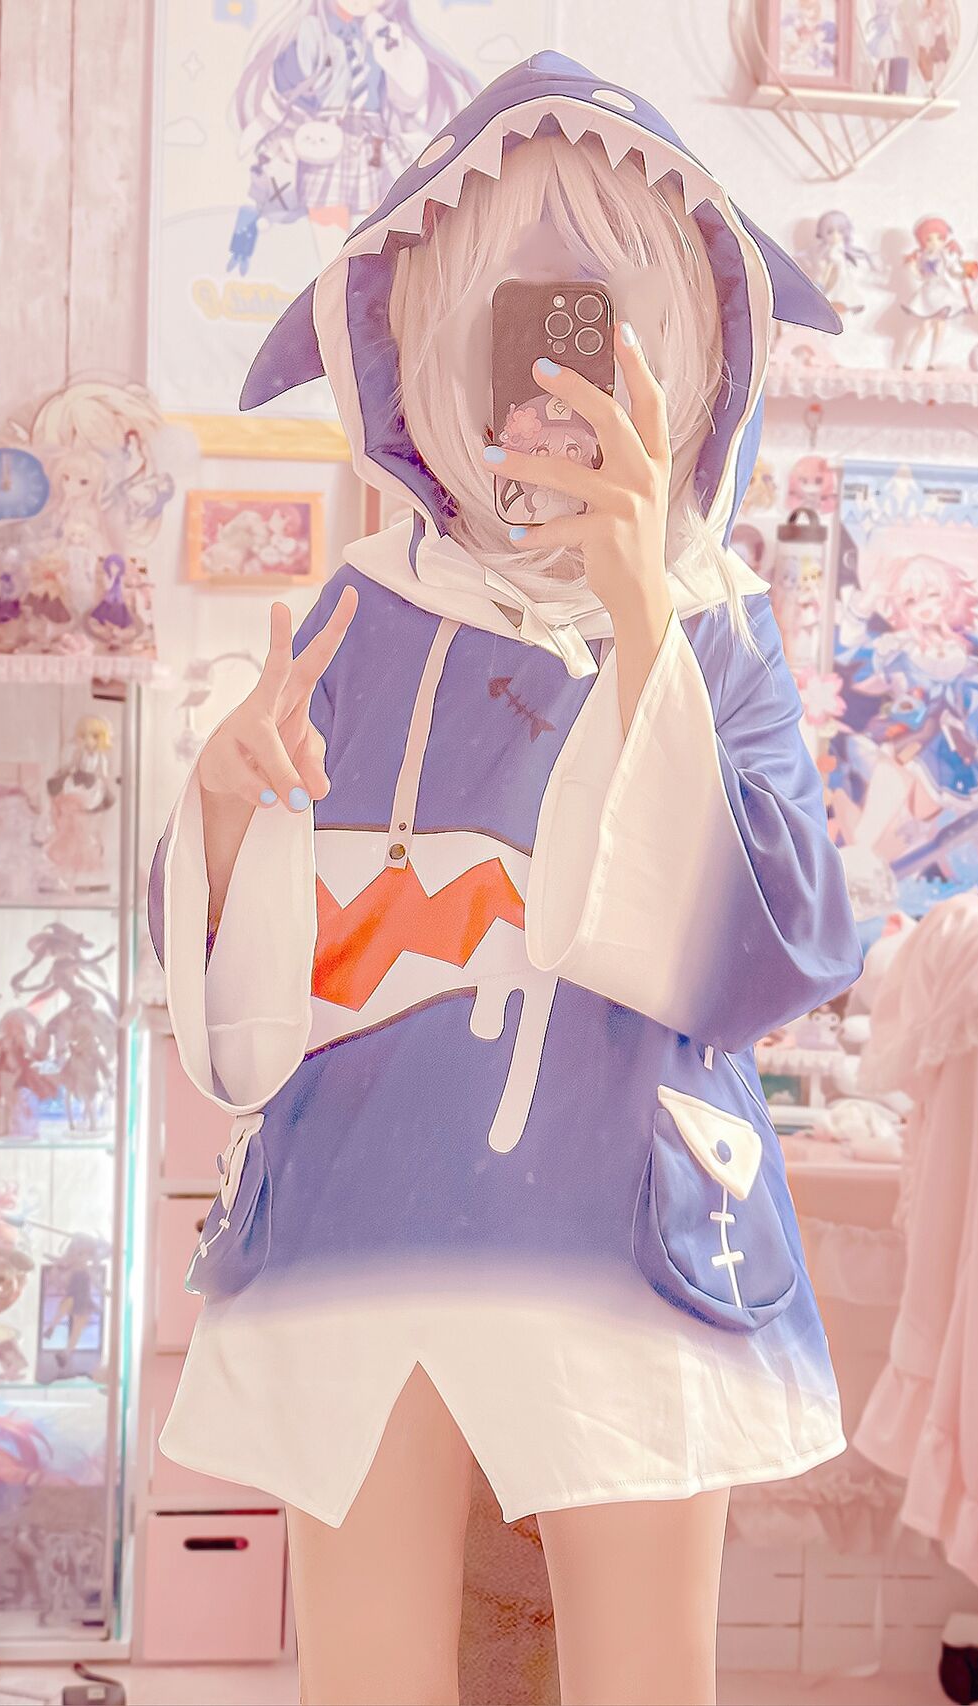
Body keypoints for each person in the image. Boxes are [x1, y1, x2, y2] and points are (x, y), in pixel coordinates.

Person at [149, 53, 862, 1706]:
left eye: (601, 321)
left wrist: (640, 609)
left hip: (632, 1231)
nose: (546, 378)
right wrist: (232, 802)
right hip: (362, 1219)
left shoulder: (715, 622)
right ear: (427, 345)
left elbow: (776, 944)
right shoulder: (355, 609)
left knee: (643, 1678)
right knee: (370, 1678)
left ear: (686, 349)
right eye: (507, 318)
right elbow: (257, 981)